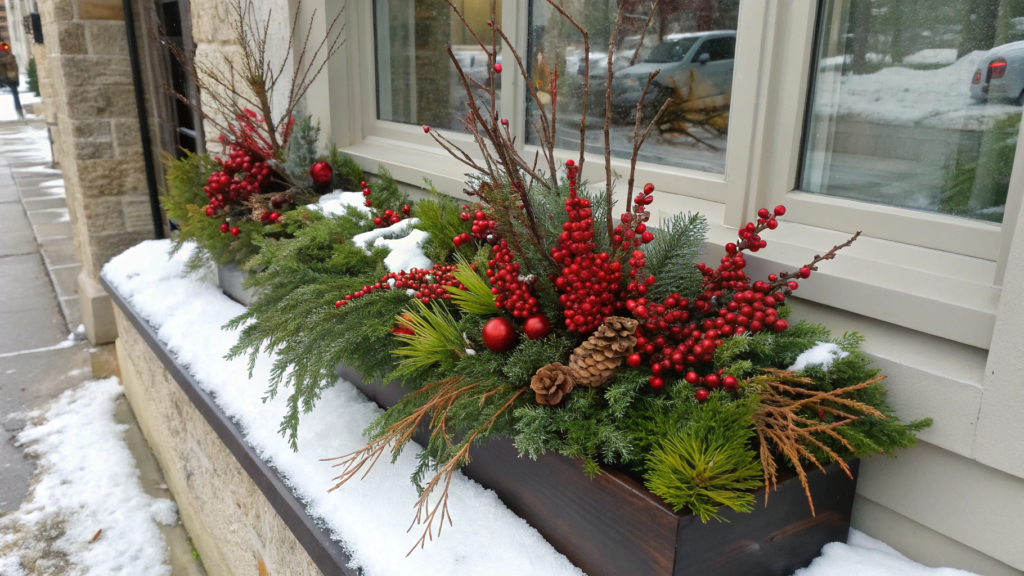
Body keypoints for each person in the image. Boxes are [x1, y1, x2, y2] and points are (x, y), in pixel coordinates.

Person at [0, 42, 23, 119]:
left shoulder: (8, 54)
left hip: (10, 77)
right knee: (15, 93)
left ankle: (19, 111)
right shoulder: (10, 56)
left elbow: (14, 66)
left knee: (15, 93)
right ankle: (19, 110)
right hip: (11, 77)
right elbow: (14, 67)